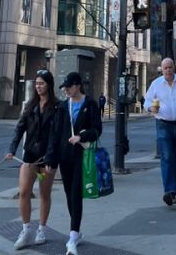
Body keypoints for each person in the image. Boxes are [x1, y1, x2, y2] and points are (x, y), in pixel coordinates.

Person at [44, 71, 102, 255]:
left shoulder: (90, 104)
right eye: (65, 88)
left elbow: (97, 130)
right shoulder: (62, 107)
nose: (67, 90)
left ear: (78, 86)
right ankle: (75, 232)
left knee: (76, 192)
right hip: (64, 156)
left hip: (81, 155)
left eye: (69, 86)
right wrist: (51, 158)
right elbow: (55, 134)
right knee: (69, 193)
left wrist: (81, 136)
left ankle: (72, 236)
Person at [6, 69, 59, 250]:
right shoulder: (30, 106)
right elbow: (19, 129)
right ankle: (26, 228)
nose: (38, 87)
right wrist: (12, 149)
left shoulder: (57, 107)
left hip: (48, 158)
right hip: (30, 156)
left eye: (42, 83)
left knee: (45, 194)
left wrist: (52, 158)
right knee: (24, 192)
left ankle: (42, 229)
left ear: (49, 85)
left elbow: (56, 135)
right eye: (36, 83)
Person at [143, 58, 176, 206]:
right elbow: (146, 102)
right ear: (162, 69)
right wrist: (151, 108)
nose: (168, 70)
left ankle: (172, 192)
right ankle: (169, 191)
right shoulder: (156, 84)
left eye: (170, 67)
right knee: (167, 156)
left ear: (174, 68)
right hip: (163, 124)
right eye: (165, 68)